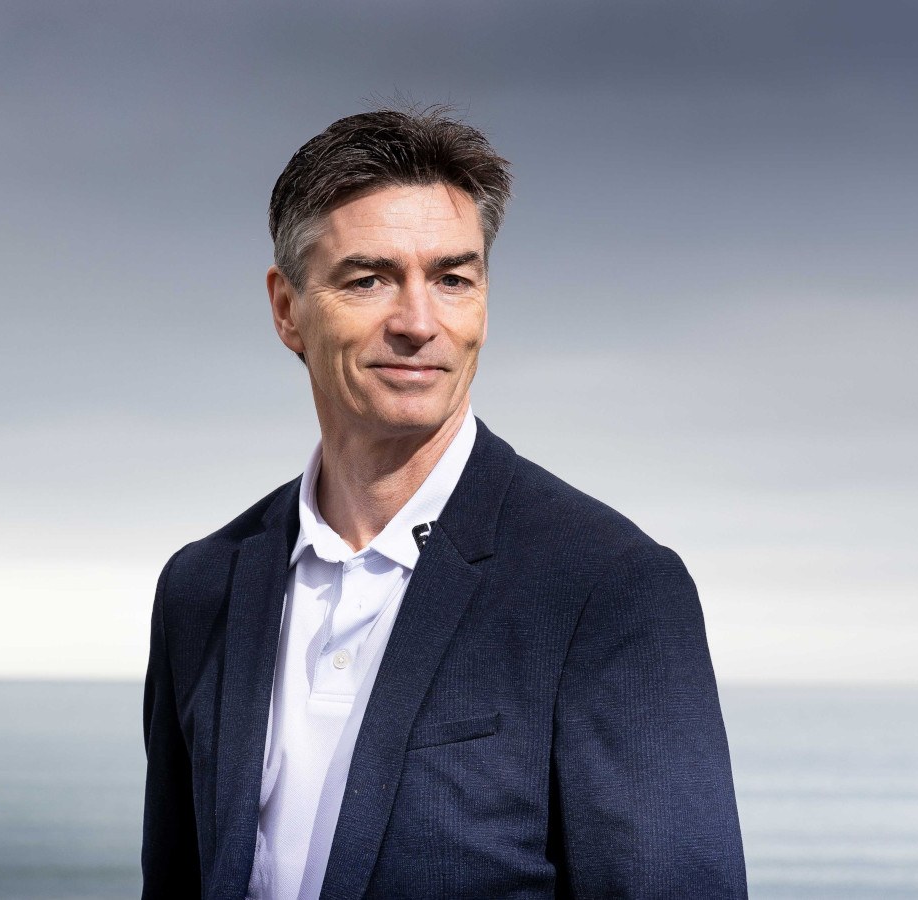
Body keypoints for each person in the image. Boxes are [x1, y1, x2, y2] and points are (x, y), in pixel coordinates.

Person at [142, 107, 747, 899]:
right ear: (287, 309)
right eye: (369, 279)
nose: (418, 323)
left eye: (452, 279)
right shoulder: (201, 588)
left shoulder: (610, 587)